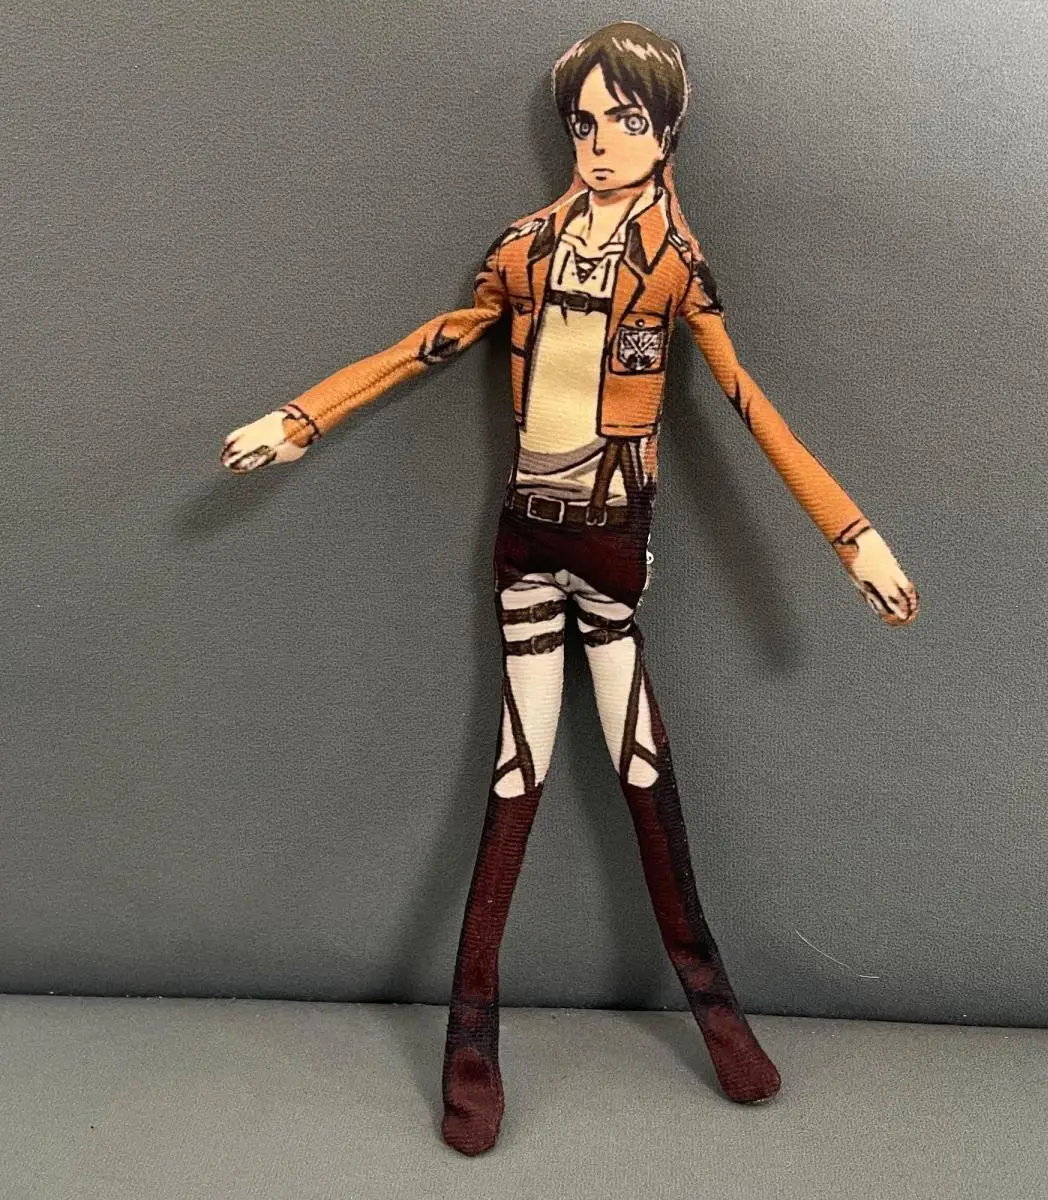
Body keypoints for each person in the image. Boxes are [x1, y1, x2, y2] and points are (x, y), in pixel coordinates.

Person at [221, 20, 919, 1156]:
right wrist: (301, 418)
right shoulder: (525, 250)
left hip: (612, 537)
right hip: (524, 536)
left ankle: (719, 1018)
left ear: (665, 132)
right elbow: (434, 341)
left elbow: (747, 402)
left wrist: (852, 536)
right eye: (584, 123)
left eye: (624, 121)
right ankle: (472, 1043)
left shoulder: (675, 264)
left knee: (643, 770)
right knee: (518, 775)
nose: (599, 143)